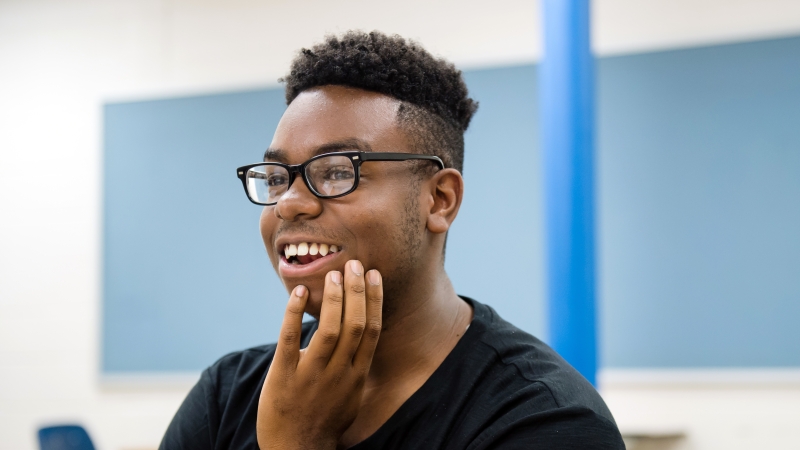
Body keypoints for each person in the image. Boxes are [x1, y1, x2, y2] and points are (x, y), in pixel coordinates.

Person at [160, 30, 624, 450]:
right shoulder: (227, 397)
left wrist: (298, 442)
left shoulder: (544, 420)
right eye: (278, 177)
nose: (288, 204)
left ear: (439, 199)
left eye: (338, 171)